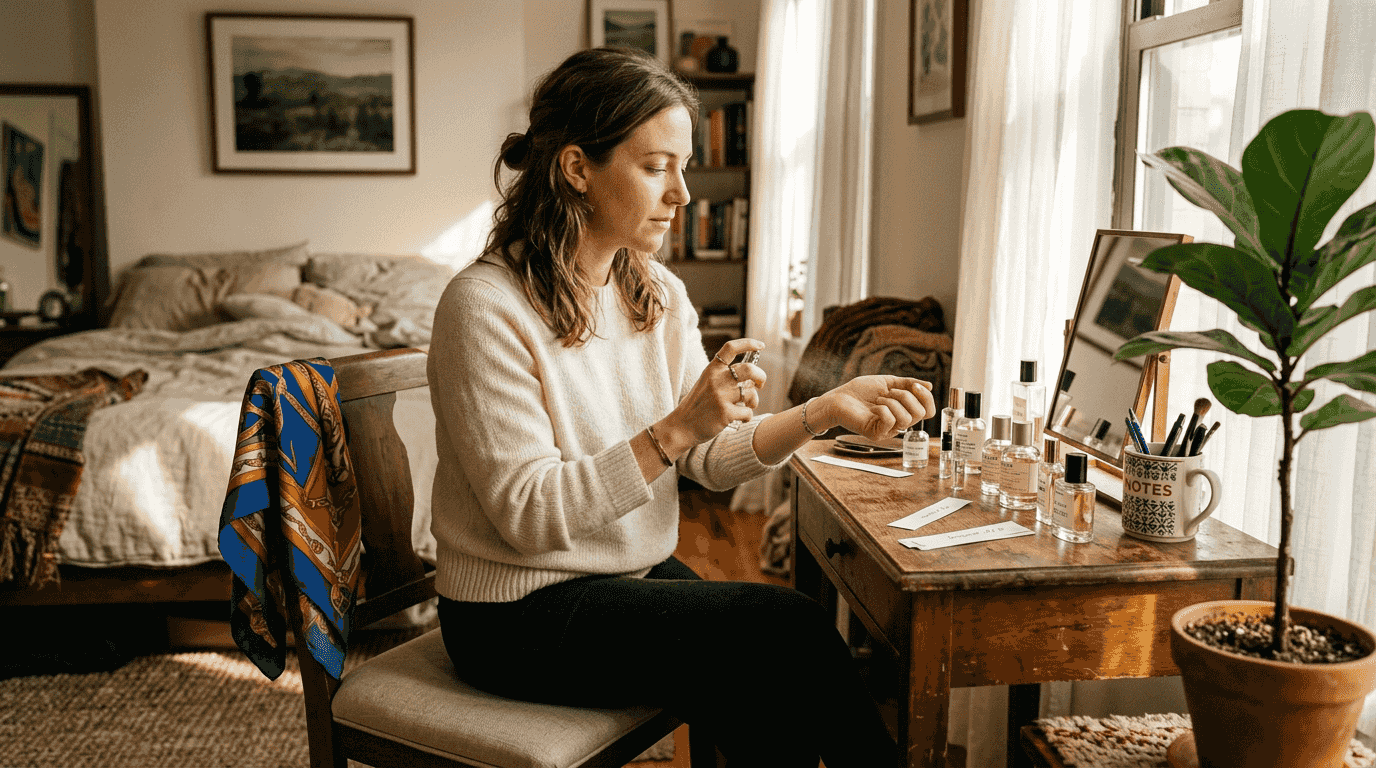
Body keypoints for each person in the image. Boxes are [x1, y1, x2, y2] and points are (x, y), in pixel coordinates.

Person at [427, 46, 935, 767]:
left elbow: (711, 459)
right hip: (512, 613)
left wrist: (823, 411)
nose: (684, 195)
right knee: (784, 627)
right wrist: (670, 434)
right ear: (576, 168)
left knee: (760, 679)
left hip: (621, 578)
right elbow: (528, 514)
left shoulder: (655, 293)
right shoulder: (484, 308)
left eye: (684, 166)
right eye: (656, 165)